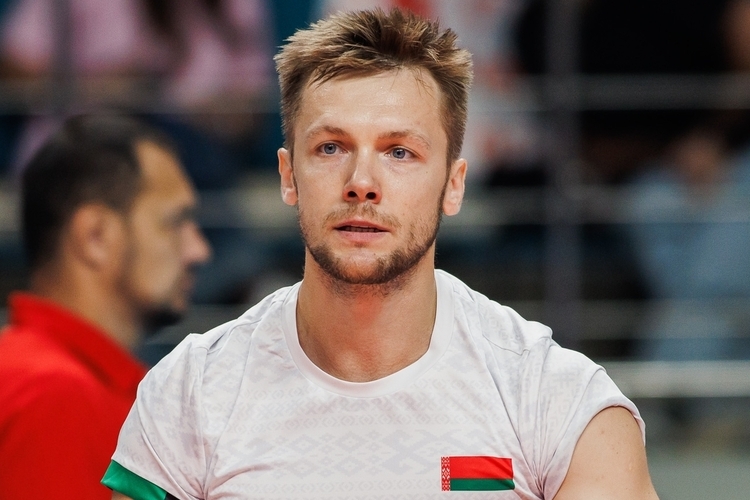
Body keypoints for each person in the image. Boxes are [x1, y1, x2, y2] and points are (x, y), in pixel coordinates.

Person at [104, 8, 659, 499]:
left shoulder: (561, 404)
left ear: (454, 185)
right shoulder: (189, 393)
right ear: (288, 175)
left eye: (400, 152)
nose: (362, 183)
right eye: (331, 147)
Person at [0, 113, 212, 499]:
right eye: (174, 222)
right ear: (95, 236)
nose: (198, 250)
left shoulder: (48, 381)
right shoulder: (56, 396)